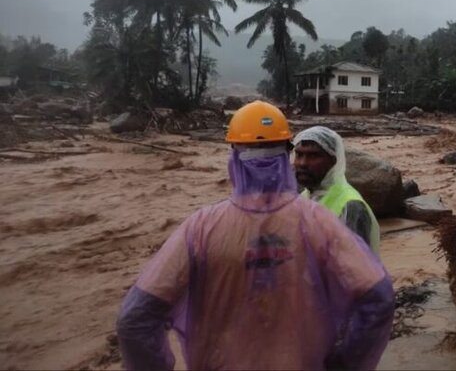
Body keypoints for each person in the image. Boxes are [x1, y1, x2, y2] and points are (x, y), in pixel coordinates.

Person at [116, 101, 394, 370]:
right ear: (286, 157)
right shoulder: (319, 220)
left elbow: (135, 319)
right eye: (300, 154)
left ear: (234, 157)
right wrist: (346, 364)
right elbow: (378, 298)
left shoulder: (200, 228)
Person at [292, 126, 381, 254]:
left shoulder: (350, 205)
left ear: (333, 161)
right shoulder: (305, 197)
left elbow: (356, 267)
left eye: (313, 156)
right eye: (299, 154)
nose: (302, 163)